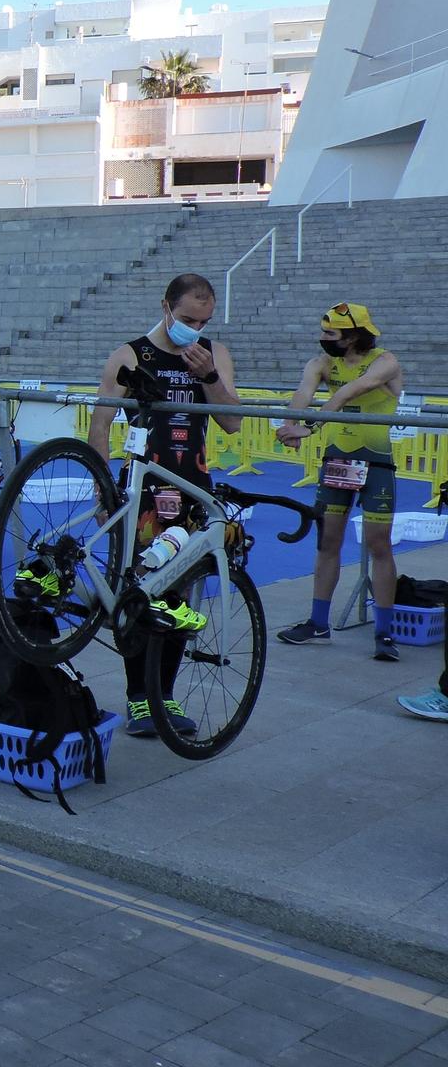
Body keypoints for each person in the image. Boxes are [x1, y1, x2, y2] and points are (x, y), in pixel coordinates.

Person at [85, 273, 241, 735]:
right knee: (141, 593)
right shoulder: (131, 355)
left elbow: (232, 421)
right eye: (188, 318)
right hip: (145, 493)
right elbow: (100, 422)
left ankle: (164, 697)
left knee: (181, 597)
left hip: (194, 488)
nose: (195, 328)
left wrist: (208, 376)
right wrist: (101, 488)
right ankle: (138, 697)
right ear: (166, 307)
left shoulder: (214, 354)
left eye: (204, 320)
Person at [276, 303, 406, 660]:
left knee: (379, 545)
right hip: (338, 460)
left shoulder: (385, 361)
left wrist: (311, 425)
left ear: (353, 336)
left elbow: (351, 391)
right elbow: (302, 394)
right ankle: (318, 623)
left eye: (330, 334)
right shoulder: (321, 364)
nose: (323, 340)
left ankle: (385, 633)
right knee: (327, 541)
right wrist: (291, 425)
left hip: (377, 462)